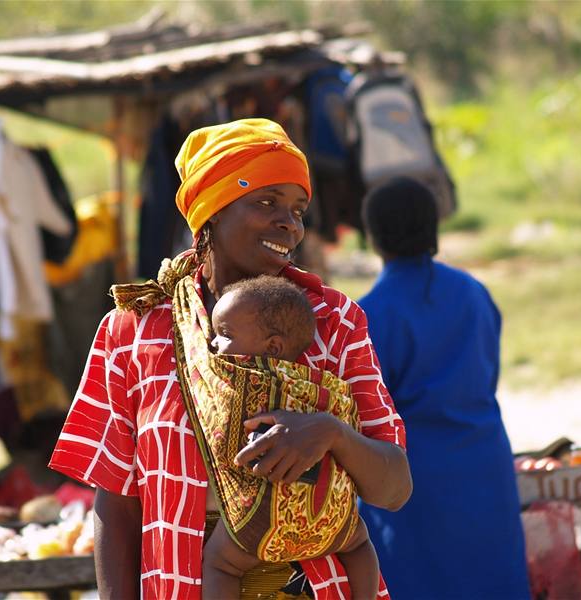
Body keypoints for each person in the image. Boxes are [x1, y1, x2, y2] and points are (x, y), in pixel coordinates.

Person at [49, 118, 411, 600]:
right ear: (212, 212)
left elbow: (394, 488)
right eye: (267, 202)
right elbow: (117, 504)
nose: (290, 223)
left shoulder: (333, 321)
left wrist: (331, 433)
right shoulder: (136, 330)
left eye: (298, 208)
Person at [357, 177, 530, 600]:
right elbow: (487, 372)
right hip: (484, 463)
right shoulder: (473, 292)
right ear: (434, 226)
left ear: (373, 237)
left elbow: (367, 411)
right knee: (492, 577)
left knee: (418, 582)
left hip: (412, 479)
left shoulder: (369, 314)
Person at [204, 275, 379, 600]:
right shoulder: (325, 385)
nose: (213, 344)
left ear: (272, 347)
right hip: (329, 518)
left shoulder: (237, 386)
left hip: (263, 519)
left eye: (224, 335)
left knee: (219, 563)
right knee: (360, 543)